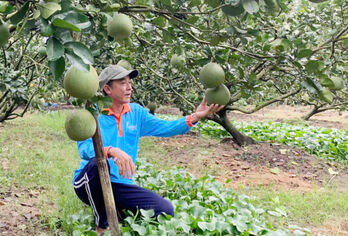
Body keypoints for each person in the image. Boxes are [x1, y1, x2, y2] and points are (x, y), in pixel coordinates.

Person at [72, 65, 224, 235]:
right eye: (122, 83)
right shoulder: (94, 115)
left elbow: (165, 127)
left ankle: (115, 210)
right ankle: (102, 225)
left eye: (129, 82)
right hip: (89, 182)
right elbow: (84, 149)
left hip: (119, 185)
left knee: (165, 210)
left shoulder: (136, 113)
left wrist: (194, 117)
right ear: (107, 89)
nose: (129, 87)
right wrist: (110, 151)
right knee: (98, 164)